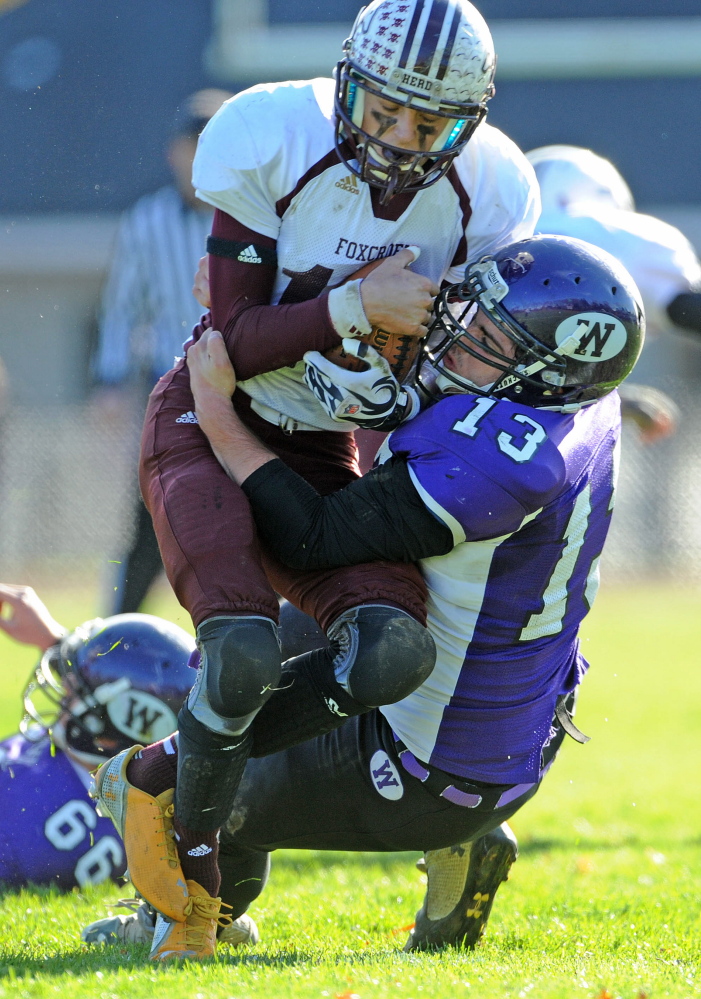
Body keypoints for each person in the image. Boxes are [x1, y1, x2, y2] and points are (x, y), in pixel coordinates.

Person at [102, 0, 540, 961]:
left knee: (390, 652)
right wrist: (352, 303)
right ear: (347, 84)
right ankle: (195, 905)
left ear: (468, 121)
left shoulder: (486, 191)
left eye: (428, 125)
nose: (397, 140)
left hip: (323, 446)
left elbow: (451, 365)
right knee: (243, 654)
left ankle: (164, 770)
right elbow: (231, 347)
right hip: (210, 422)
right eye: (384, 111)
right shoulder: (274, 138)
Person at [91, 233, 645, 956]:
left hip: (435, 763)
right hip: (518, 725)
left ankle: (211, 911)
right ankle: (464, 830)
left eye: (483, 336)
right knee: (276, 644)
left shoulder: (502, 462)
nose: (454, 336)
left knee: (215, 774)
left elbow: (313, 537)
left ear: (537, 372)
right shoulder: (582, 399)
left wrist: (216, 413)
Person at [91, 89, 231, 615]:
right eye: (191, 146)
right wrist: (109, 381)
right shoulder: (146, 222)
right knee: (153, 512)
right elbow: (122, 307)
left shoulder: (257, 217)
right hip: (172, 386)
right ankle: (117, 628)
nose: (198, 160)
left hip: (248, 384)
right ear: (174, 152)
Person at [526, 144, 701, 444]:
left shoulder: (500, 235)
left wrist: (611, 403)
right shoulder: (622, 240)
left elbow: (527, 387)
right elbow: (684, 308)